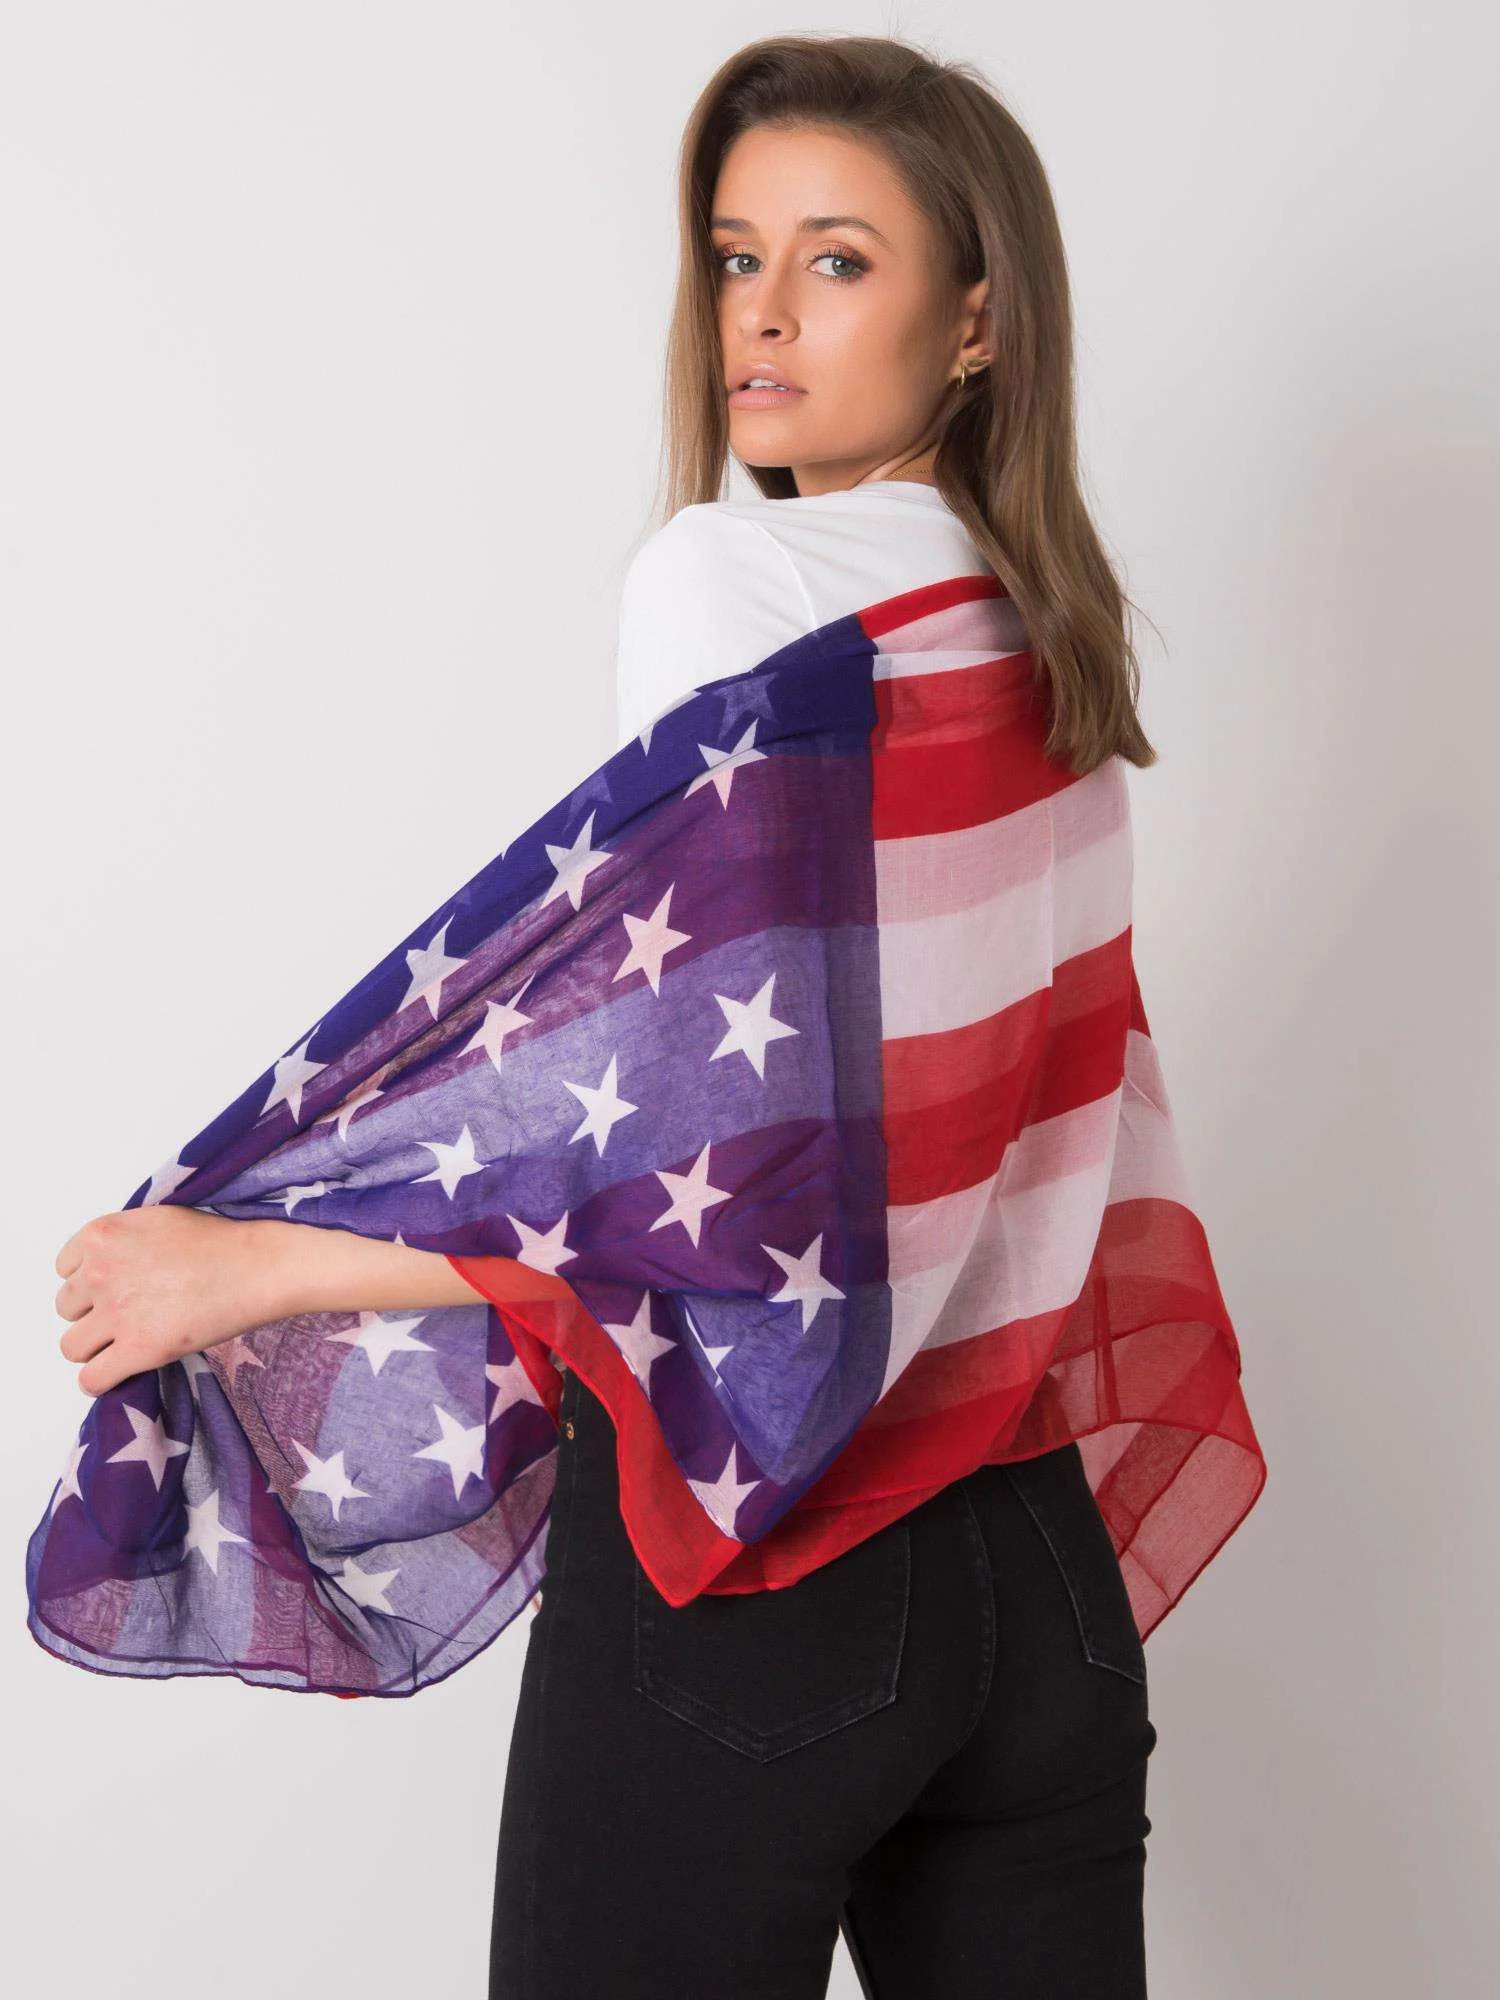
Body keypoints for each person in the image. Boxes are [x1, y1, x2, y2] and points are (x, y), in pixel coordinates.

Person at [50, 34, 1264, 1999]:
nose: (759, 316)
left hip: (780, 1575)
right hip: (1040, 1576)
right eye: (732, 258)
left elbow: (700, 1165)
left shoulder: (737, 580)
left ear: (977, 320)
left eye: (838, 260)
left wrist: (249, 1264)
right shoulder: (1047, 628)